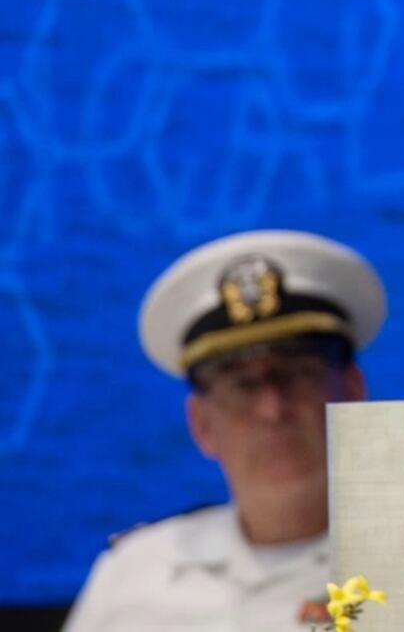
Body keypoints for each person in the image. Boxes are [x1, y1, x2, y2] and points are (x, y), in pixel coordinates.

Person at [64, 230, 386, 631]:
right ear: (201, 424)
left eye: (299, 375)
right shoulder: (131, 577)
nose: (272, 408)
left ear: (353, 393)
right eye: (241, 386)